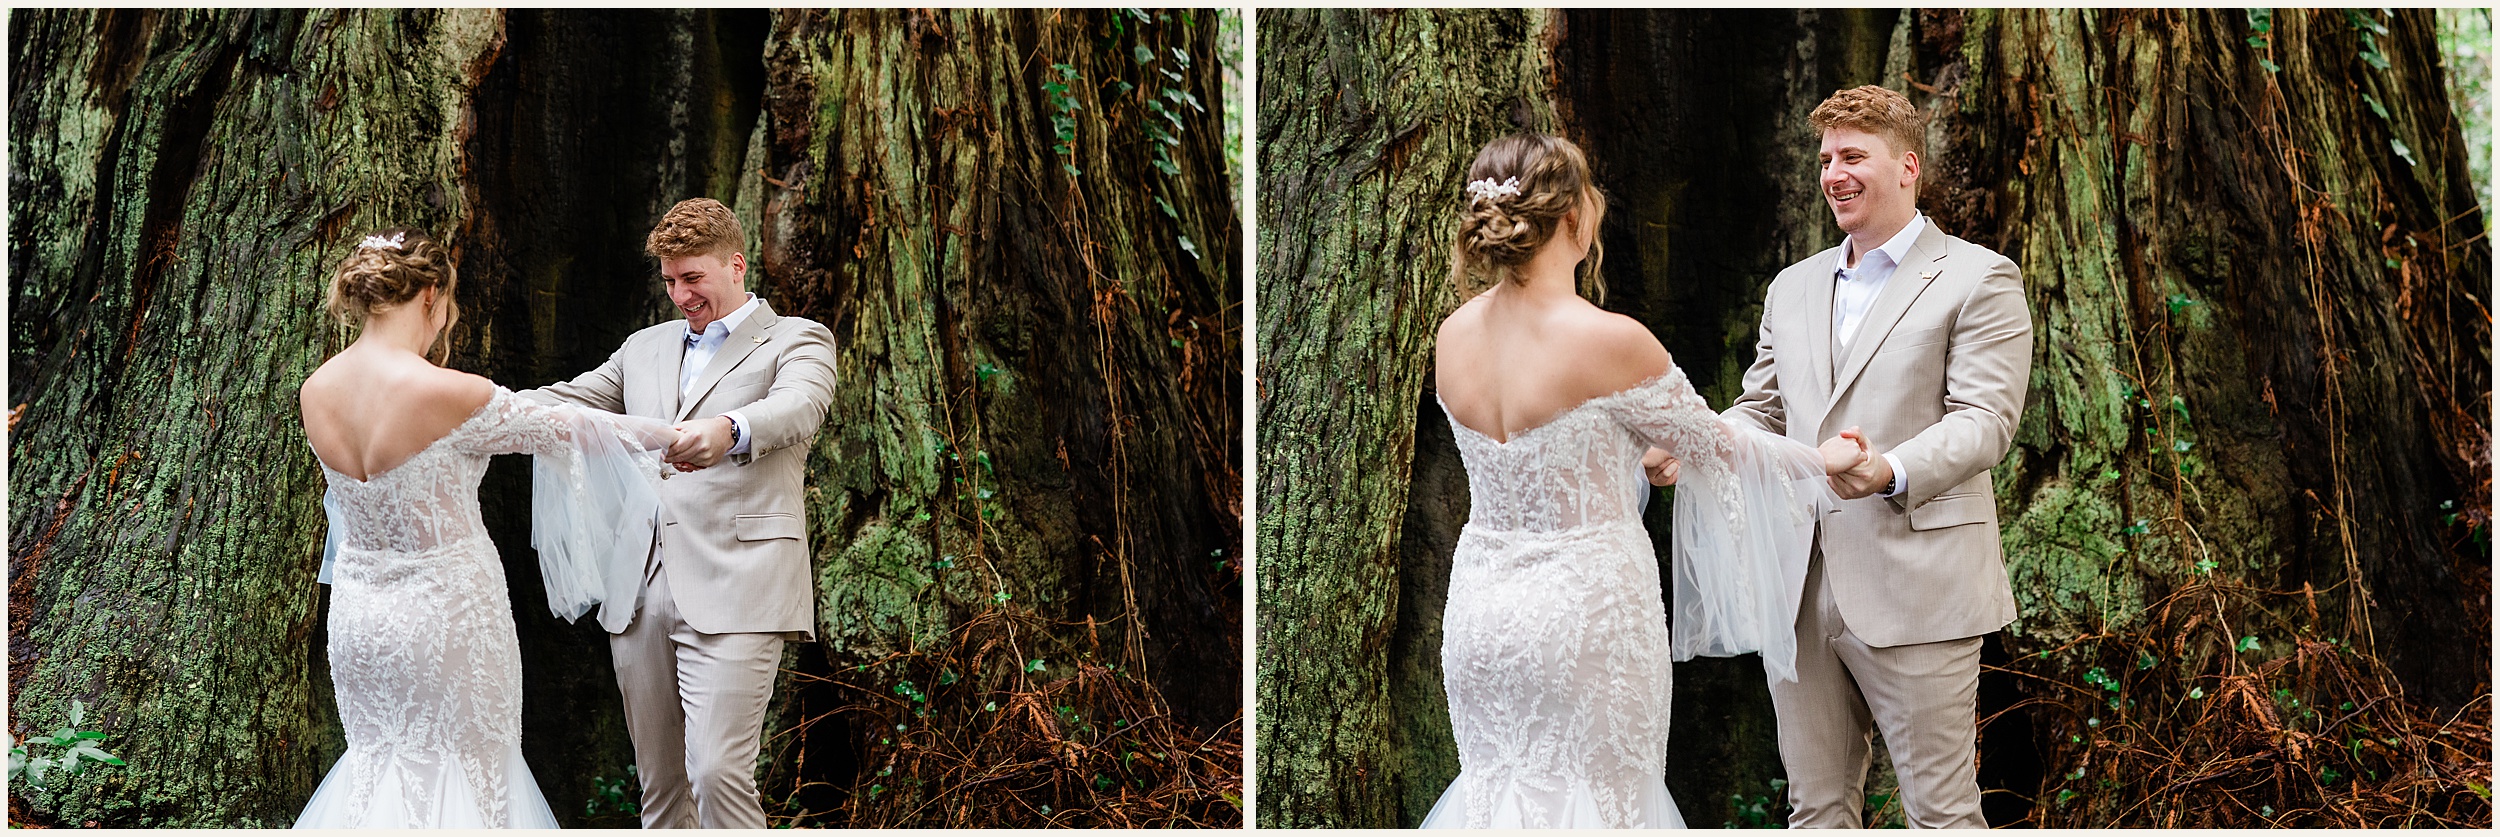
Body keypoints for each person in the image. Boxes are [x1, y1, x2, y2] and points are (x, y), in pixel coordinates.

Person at [1422, 134, 1862, 829]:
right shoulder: (1609, 341)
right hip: (1589, 618)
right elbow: (1721, 447)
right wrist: (1825, 459)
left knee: (1500, 797)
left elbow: (1539, 457)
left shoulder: (1453, 336)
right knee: (1609, 806)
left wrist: (1631, 458)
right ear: (1573, 218)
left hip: (1483, 616)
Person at [1705, 84, 2035, 828]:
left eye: (1853, 155)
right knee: (1815, 809)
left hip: (1920, 586)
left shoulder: (1979, 277)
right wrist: (1696, 440)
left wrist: (1888, 470)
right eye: (1825, 159)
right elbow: (1759, 409)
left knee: (1941, 813)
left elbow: (1985, 420)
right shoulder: (1790, 287)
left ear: (1908, 165)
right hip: (1797, 586)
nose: (1833, 173)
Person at [295, 228, 678, 828]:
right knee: (473, 774)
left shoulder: (316, 391)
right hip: (451, 619)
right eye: (447, 306)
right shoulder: (448, 391)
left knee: (380, 766)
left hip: (360, 621)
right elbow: (569, 427)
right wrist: (683, 436)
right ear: (430, 297)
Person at [518, 198, 838, 829]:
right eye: (669, 280)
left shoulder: (798, 338)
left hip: (739, 583)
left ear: (737, 263)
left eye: (693, 278)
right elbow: (568, 401)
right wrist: (457, 408)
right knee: (661, 790)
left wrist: (729, 428)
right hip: (638, 590)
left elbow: (800, 406)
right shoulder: (644, 347)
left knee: (717, 774)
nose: (680, 294)